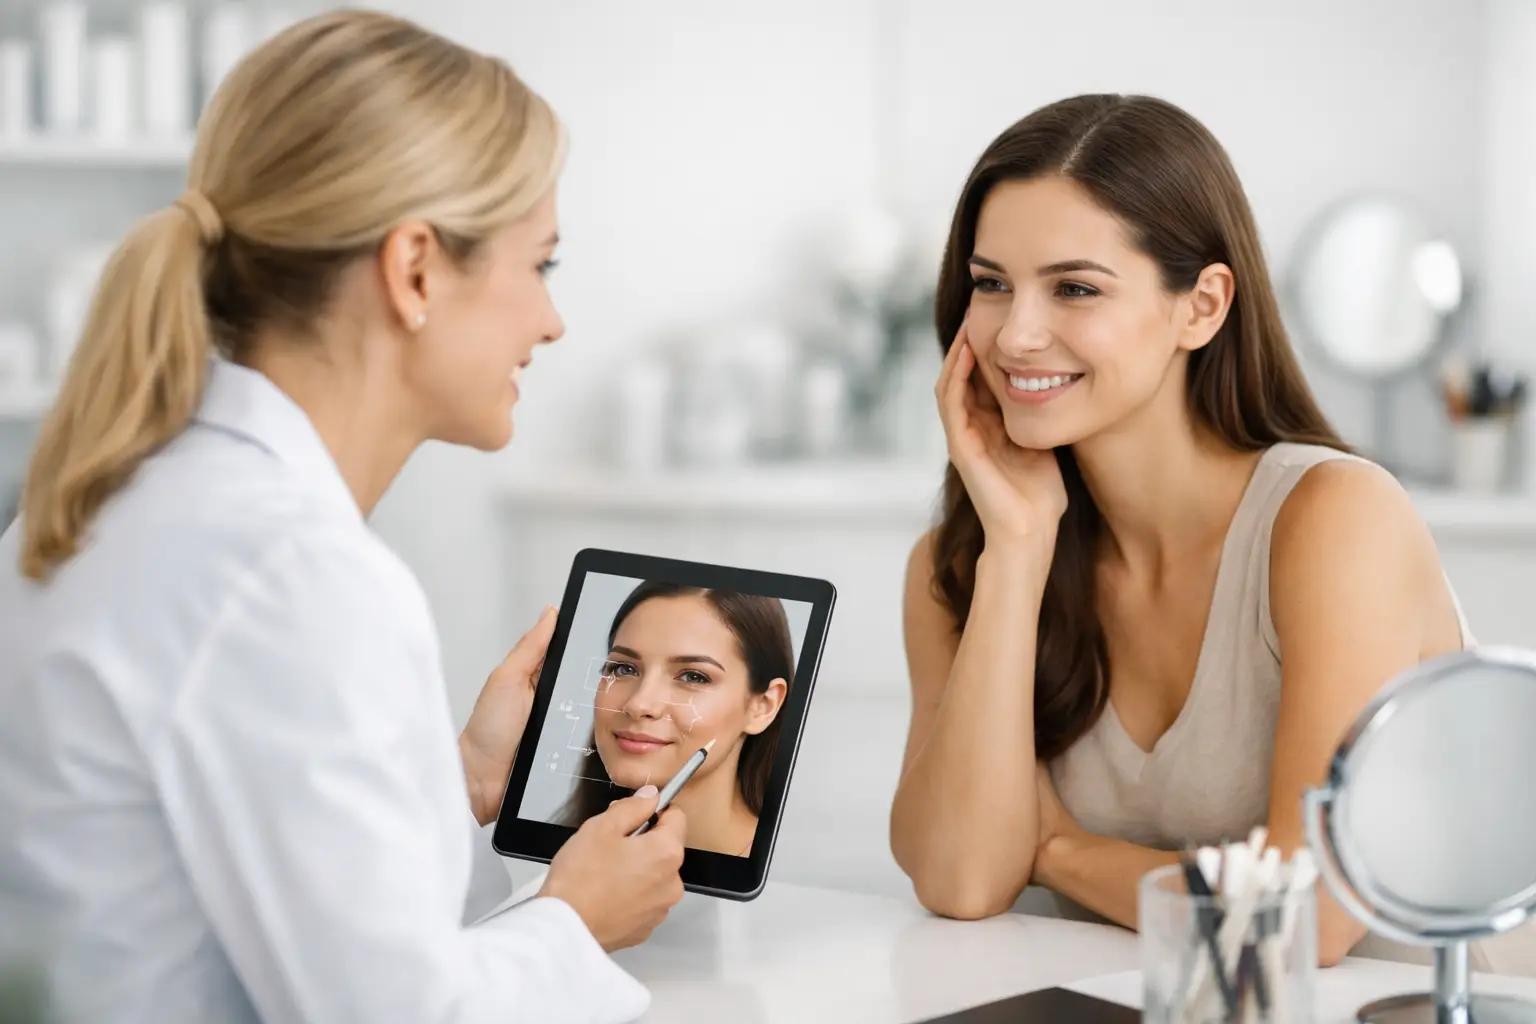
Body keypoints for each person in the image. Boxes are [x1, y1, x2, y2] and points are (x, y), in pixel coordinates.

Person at [0, 11, 687, 1022]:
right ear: (413, 270)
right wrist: (575, 917)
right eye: (539, 264)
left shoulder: (120, 498)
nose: (551, 319)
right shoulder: (289, 573)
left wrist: (447, 779)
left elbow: (213, 859)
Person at [886, 93, 1536, 972]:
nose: (1017, 333)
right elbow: (963, 881)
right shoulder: (967, 560)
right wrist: (1020, 551)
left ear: (1202, 305)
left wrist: (1055, 850)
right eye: (991, 283)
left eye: (1074, 287)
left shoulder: (1334, 520)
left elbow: (1305, 919)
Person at [557, 582, 791, 857]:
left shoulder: (787, 878)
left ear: (763, 706)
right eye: (624, 668)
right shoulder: (566, 852)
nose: (638, 704)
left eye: (693, 676)